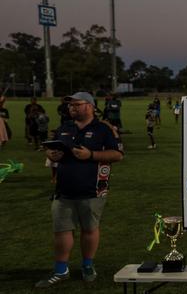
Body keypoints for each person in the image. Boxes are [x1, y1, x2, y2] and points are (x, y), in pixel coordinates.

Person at [35, 91, 124, 288]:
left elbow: (117, 155)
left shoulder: (103, 129)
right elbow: (52, 151)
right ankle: (61, 270)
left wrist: (91, 154)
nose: (72, 108)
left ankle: (87, 266)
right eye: (70, 105)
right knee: (61, 231)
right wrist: (52, 153)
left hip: (92, 189)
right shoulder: (64, 127)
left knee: (89, 230)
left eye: (77, 104)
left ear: (90, 106)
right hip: (64, 189)